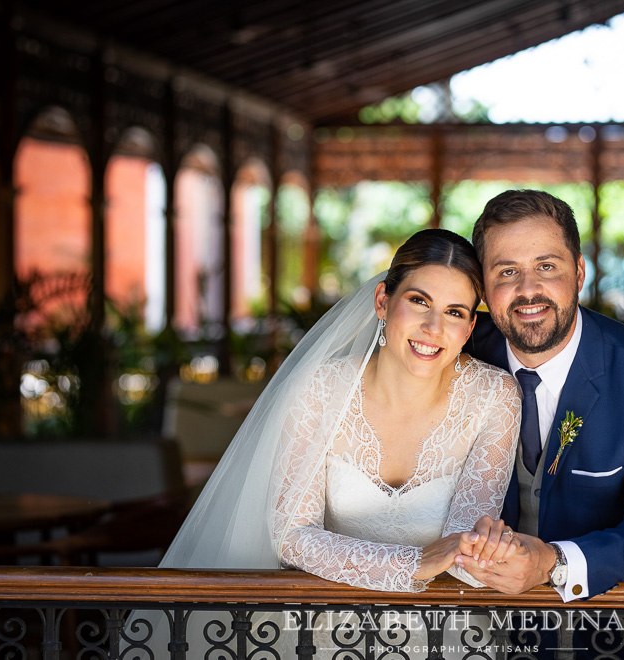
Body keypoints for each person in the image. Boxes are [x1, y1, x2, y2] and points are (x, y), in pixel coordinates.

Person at [128, 229, 521, 657]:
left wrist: (474, 550)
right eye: (419, 301)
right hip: (324, 632)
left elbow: (464, 550)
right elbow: (291, 535)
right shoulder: (318, 388)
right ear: (382, 302)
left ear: (469, 328)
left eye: (455, 312)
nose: (433, 327)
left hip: (446, 631)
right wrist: (413, 563)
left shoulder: (495, 396)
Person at [456, 190, 624, 603]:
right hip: (478, 622)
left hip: (614, 628)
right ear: (483, 288)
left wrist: (553, 562)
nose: (528, 290)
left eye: (546, 266)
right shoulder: (454, 349)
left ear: (579, 273)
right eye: (507, 272)